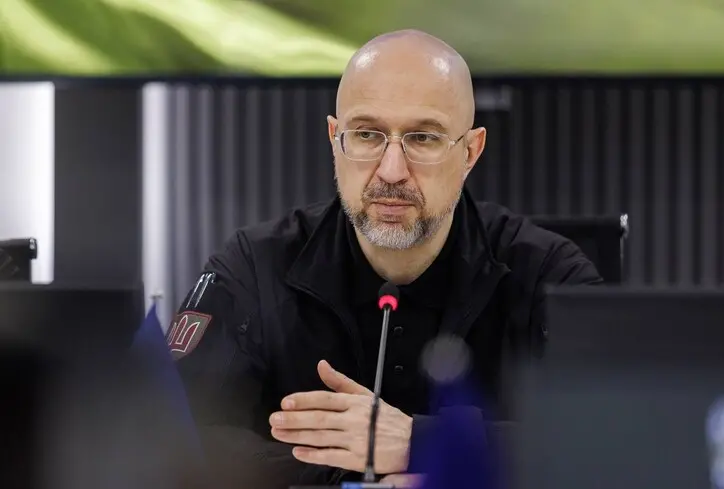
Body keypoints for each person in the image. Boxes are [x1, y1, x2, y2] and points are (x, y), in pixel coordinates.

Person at [170, 29, 602, 488]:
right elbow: (174, 435)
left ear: (470, 151)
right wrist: (351, 479)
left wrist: (424, 443)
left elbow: (610, 440)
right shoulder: (253, 268)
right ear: (335, 138)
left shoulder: (550, 275)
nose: (392, 171)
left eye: (423, 137)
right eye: (366, 134)